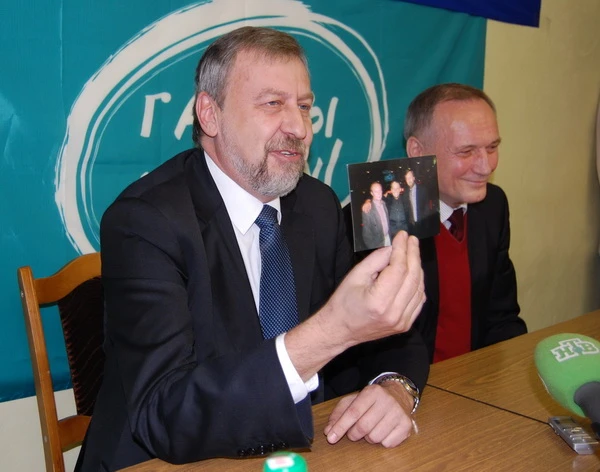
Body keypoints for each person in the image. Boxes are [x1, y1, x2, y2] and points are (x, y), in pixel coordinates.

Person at [76, 27, 428, 471]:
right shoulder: (144, 222)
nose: (300, 128)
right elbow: (166, 413)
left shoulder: (318, 205)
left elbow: (386, 335)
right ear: (210, 115)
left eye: (304, 106)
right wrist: (332, 331)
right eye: (273, 104)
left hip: (295, 452)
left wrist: (394, 388)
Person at [404, 83, 527, 363]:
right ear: (418, 151)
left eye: (492, 147)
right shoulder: (378, 220)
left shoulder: (492, 205)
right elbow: (375, 343)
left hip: (477, 376)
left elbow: (503, 316)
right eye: (466, 151)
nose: (486, 166)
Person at [402, 169, 437, 238]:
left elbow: (427, 208)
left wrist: (426, 224)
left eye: (410, 177)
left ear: (414, 178)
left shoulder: (422, 190)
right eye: (407, 178)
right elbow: (406, 209)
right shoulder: (405, 193)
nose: (409, 180)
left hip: (421, 224)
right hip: (411, 227)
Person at [361, 181, 391, 249]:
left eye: (380, 190)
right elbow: (366, 235)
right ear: (372, 193)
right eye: (376, 191)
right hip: (378, 244)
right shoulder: (368, 210)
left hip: (388, 239)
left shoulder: (384, 204)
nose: (378, 193)